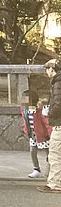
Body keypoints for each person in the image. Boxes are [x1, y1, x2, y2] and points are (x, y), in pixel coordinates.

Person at [41, 59, 61, 194]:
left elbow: (58, 103)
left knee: (55, 154)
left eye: (47, 69)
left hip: (59, 123)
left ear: (52, 69)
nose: (46, 72)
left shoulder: (58, 83)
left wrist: (49, 112)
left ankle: (55, 184)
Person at [20, 89, 50, 179]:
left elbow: (46, 121)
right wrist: (26, 130)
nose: (23, 100)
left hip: (43, 135)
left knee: (48, 153)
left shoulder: (39, 110)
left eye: (26, 98)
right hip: (33, 135)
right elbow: (26, 122)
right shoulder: (24, 109)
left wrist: (50, 132)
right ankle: (36, 169)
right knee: (33, 152)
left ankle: (50, 169)